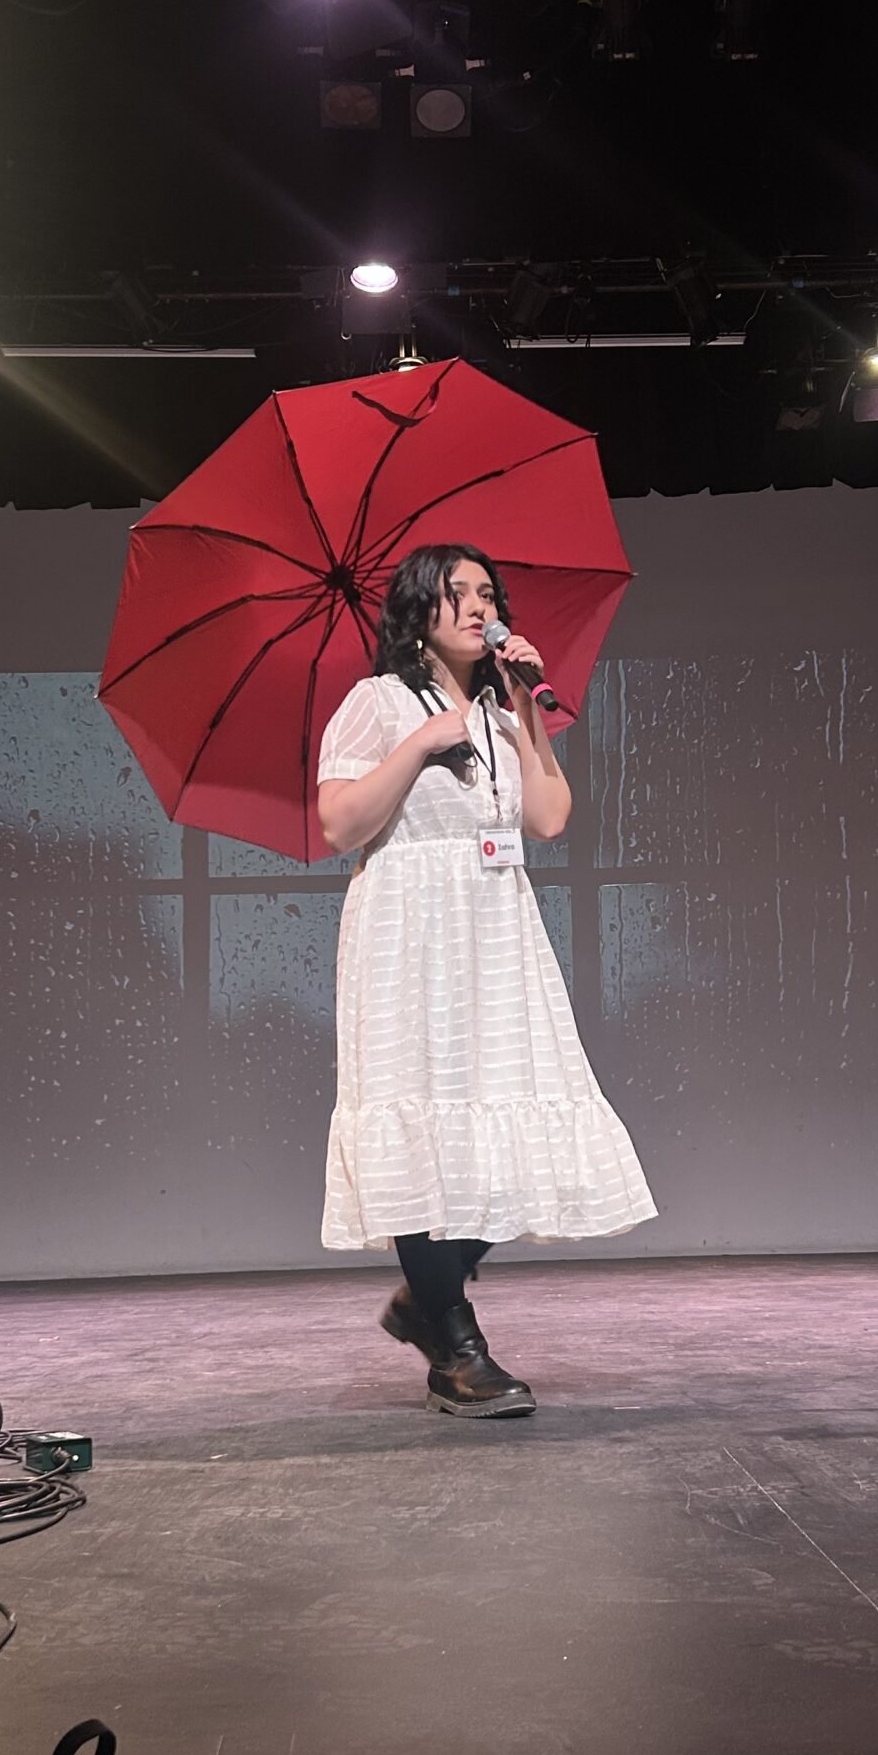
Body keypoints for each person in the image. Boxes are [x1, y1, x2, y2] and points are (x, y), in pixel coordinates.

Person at [315, 544, 657, 1416]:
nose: (479, 605)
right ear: (415, 612)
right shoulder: (377, 703)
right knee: (422, 1121)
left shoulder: (507, 716)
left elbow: (546, 819)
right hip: (408, 928)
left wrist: (526, 711)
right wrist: (422, 743)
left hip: (495, 930)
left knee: (510, 1120)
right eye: (456, 593)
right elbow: (339, 823)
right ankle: (456, 1344)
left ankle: (427, 1296)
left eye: (487, 593)